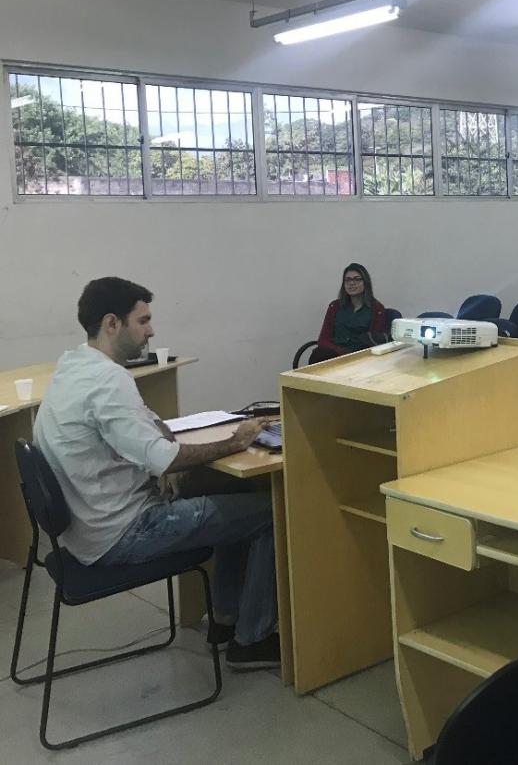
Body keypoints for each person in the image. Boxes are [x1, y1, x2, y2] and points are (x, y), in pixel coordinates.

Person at [33, 277, 280, 668]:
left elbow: (146, 428)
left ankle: (225, 621)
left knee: (237, 502)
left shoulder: (74, 367)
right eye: (143, 320)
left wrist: (158, 436)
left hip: (85, 530)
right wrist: (237, 440)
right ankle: (252, 639)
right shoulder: (108, 381)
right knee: (270, 514)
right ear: (112, 323)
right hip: (125, 532)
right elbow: (163, 459)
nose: (151, 330)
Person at [313, 263, 389, 363]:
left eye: (357, 279)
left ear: (365, 283)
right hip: (334, 354)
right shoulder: (335, 306)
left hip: (359, 358)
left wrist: (352, 356)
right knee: (319, 354)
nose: (351, 283)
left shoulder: (377, 309)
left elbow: (374, 344)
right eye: (348, 280)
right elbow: (323, 340)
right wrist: (341, 353)